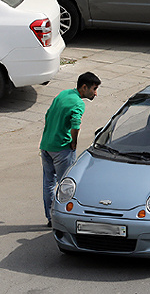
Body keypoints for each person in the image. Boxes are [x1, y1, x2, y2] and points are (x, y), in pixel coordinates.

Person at [40, 72, 101, 227]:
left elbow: (48, 115)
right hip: (62, 148)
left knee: (49, 183)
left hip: (46, 145)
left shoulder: (63, 94)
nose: (96, 93)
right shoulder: (78, 103)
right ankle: (65, 218)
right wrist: (73, 143)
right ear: (84, 87)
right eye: (94, 89)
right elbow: (75, 125)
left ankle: (50, 218)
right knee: (66, 184)